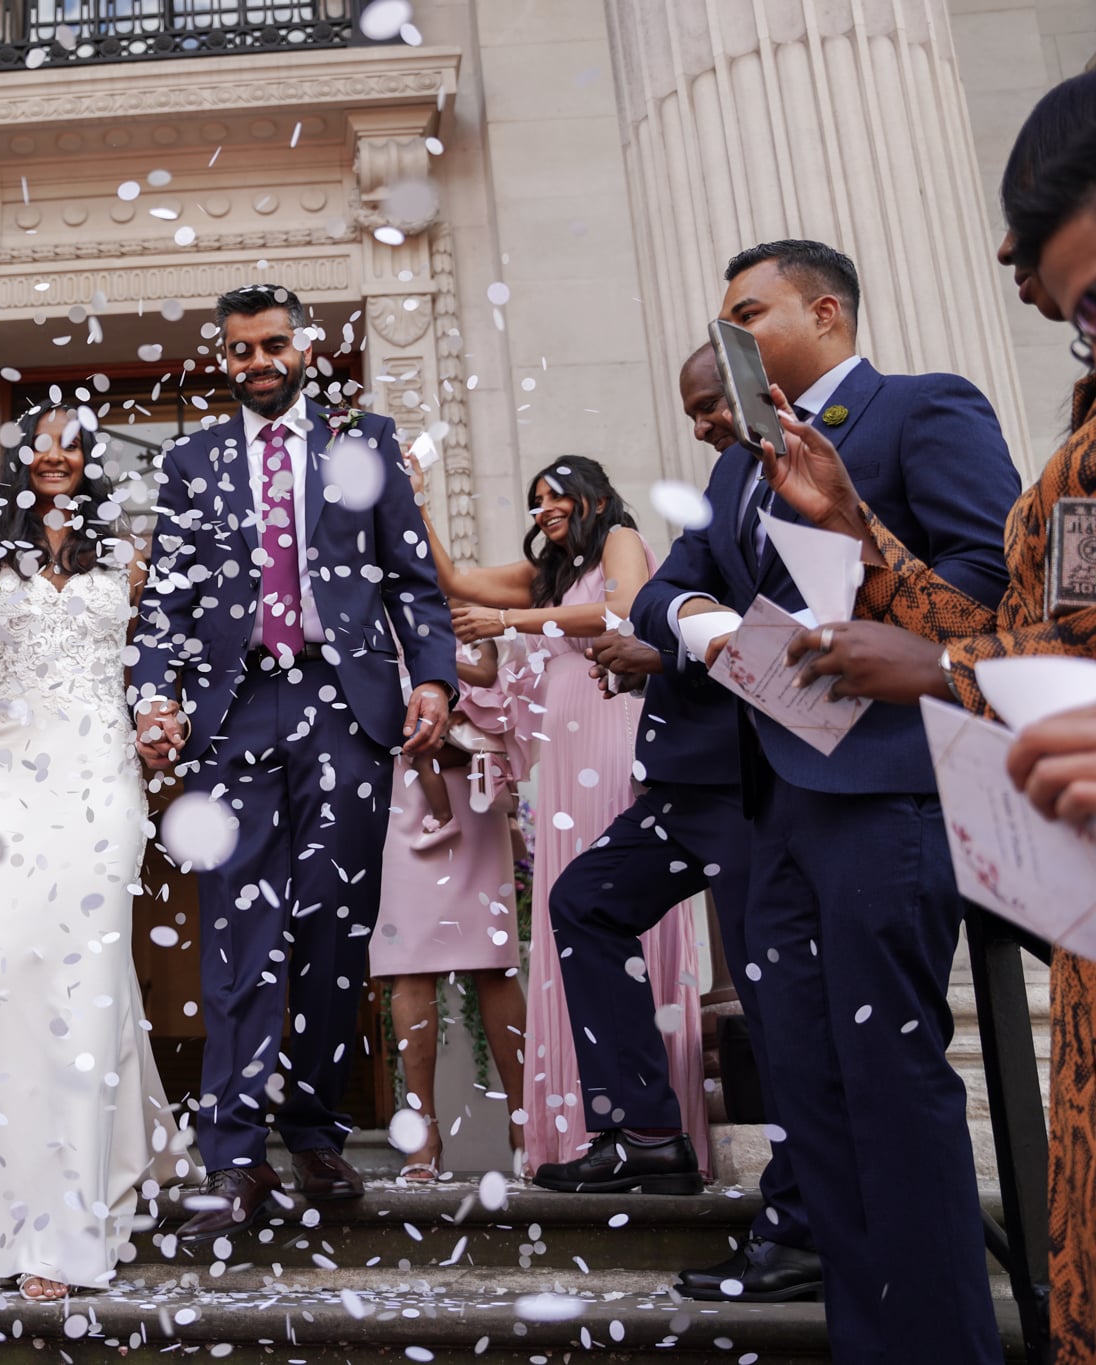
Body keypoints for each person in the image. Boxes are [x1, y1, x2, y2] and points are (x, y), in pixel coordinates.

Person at [631, 239, 1021, 1365]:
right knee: (812, 1091)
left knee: (889, 1084)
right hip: (773, 808)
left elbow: (988, 588)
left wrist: (860, 583)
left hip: (883, 793)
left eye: (746, 315)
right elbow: (666, 589)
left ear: (825, 311)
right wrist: (712, 631)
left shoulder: (920, 411)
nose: (729, 340)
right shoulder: (734, 468)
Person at [755, 82, 1096, 1361]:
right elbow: (1021, 627)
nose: (1020, 285)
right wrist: (855, 535)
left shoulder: (931, 404)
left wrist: (941, 669)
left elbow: (992, 652)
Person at [128, 284, 457, 1244]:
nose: (258, 362)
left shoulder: (365, 439)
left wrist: (431, 680)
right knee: (237, 926)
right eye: (240, 351)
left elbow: (412, 579)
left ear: (305, 347)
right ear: (223, 359)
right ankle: (233, 1158)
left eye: (273, 344)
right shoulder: (192, 461)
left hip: (344, 707)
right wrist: (156, 696)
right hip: (234, 714)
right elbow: (169, 604)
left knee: (331, 925)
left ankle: (314, 1130)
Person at [536, 345, 820, 1304]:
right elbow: (663, 594)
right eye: (694, 410)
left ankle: (801, 1218)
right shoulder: (730, 473)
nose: (702, 423)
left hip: (757, 782)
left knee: (774, 998)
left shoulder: (828, 470)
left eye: (709, 405)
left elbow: (807, 622)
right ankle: (648, 1133)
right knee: (584, 902)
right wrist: (671, 629)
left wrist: (673, 652)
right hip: (686, 782)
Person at [0, 406, 193, 1300]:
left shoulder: (130, 563)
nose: (55, 456)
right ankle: (4, 1188)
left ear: (89, 462)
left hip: (98, 782)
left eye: (72, 444)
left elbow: (155, 670)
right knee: (2, 969)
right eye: (40, 442)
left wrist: (159, 721)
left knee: (81, 984)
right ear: (19, 458)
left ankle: (63, 1225)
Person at [419, 453, 709, 1180]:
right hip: (561, 749)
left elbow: (622, 606)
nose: (544, 509)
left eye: (556, 496)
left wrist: (511, 620)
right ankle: (582, 1128)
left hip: (611, 735)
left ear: (594, 495)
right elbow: (454, 579)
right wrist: (412, 494)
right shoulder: (548, 572)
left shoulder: (619, 537)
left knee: (614, 902)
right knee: (566, 915)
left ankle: (650, 1120)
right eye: (535, 500)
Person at [370, 637, 528, 1179]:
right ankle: (423, 1136)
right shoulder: (364, 609)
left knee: (495, 962)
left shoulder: (469, 610)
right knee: (408, 964)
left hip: (475, 795)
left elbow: (498, 681)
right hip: (401, 791)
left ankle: (525, 1124)